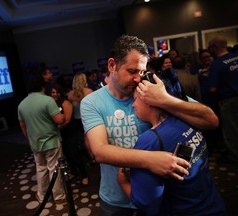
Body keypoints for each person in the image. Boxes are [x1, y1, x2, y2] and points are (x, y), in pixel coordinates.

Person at [80, 35, 218, 216]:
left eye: (141, 71)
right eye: (132, 71)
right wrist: (152, 160)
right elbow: (99, 151)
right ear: (112, 65)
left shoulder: (149, 89)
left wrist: (166, 100)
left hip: (160, 197)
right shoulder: (92, 102)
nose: (138, 79)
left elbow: (211, 121)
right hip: (117, 199)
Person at [117, 71, 226, 215]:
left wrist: (123, 182)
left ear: (149, 100)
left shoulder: (150, 141)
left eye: (136, 99)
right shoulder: (189, 119)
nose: (133, 105)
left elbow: (147, 202)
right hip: (212, 203)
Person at [17, 76, 67, 205]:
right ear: (42, 87)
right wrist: (63, 115)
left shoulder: (21, 104)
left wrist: (29, 140)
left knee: (40, 169)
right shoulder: (47, 100)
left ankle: (42, 196)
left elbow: (22, 126)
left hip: (35, 143)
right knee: (54, 168)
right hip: (51, 140)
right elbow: (59, 120)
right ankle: (59, 196)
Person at [51, 84, 89, 186]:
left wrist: (55, 128)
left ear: (60, 92)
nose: (55, 94)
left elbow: (67, 120)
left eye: (56, 92)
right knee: (67, 155)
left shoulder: (65, 102)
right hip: (61, 134)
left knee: (74, 154)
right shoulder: (52, 103)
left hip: (70, 132)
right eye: (52, 92)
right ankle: (74, 173)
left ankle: (84, 176)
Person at [207, 35, 238, 163]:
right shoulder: (236, 57)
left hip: (229, 101)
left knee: (232, 130)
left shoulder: (217, 64)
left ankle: (235, 156)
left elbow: (212, 89)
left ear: (214, 47)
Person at [67, 71, 94, 174]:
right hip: (87, 119)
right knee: (88, 139)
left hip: (76, 121)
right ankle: (93, 157)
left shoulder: (70, 94)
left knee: (81, 140)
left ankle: (86, 158)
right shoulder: (89, 91)